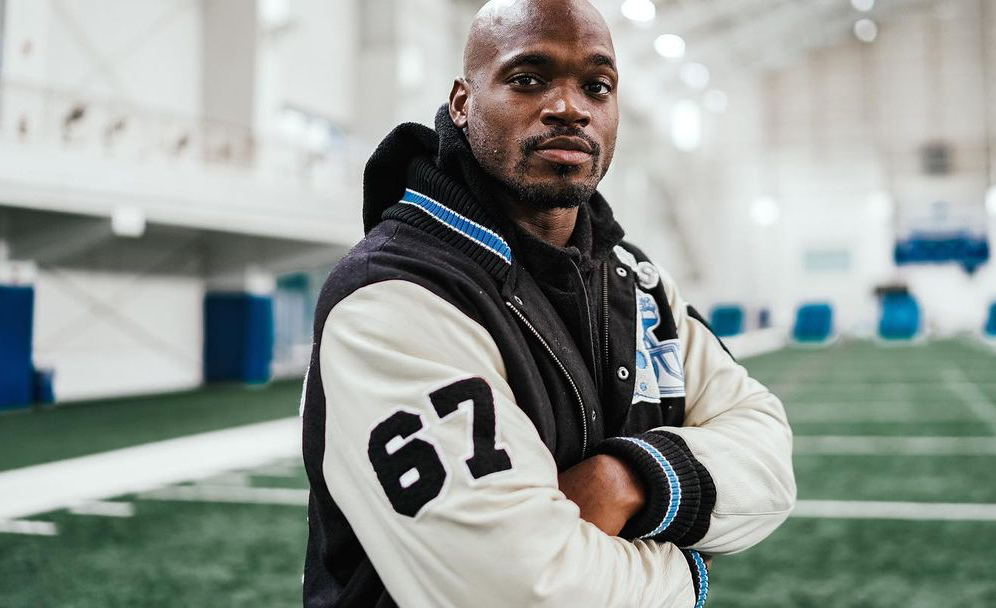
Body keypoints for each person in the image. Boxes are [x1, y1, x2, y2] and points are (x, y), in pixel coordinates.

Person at [300, 1, 795, 606]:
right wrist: (686, 576)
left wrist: (635, 478)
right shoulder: (392, 296)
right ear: (461, 101)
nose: (569, 108)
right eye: (528, 79)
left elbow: (768, 457)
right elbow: (523, 587)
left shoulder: (637, 284)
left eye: (597, 85)